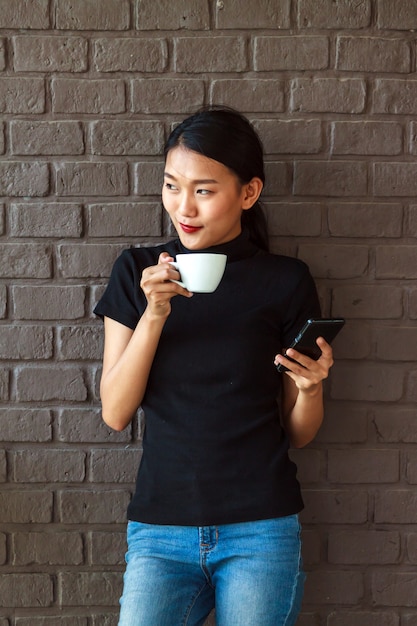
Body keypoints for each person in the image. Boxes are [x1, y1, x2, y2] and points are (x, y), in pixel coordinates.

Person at [94, 106, 334, 626]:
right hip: (160, 531)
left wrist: (311, 391)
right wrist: (155, 313)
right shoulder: (137, 271)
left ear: (248, 193)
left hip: (260, 529)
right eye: (172, 186)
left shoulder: (286, 281)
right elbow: (115, 411)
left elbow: (300, 434)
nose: (184, 207)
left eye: (204, 190)